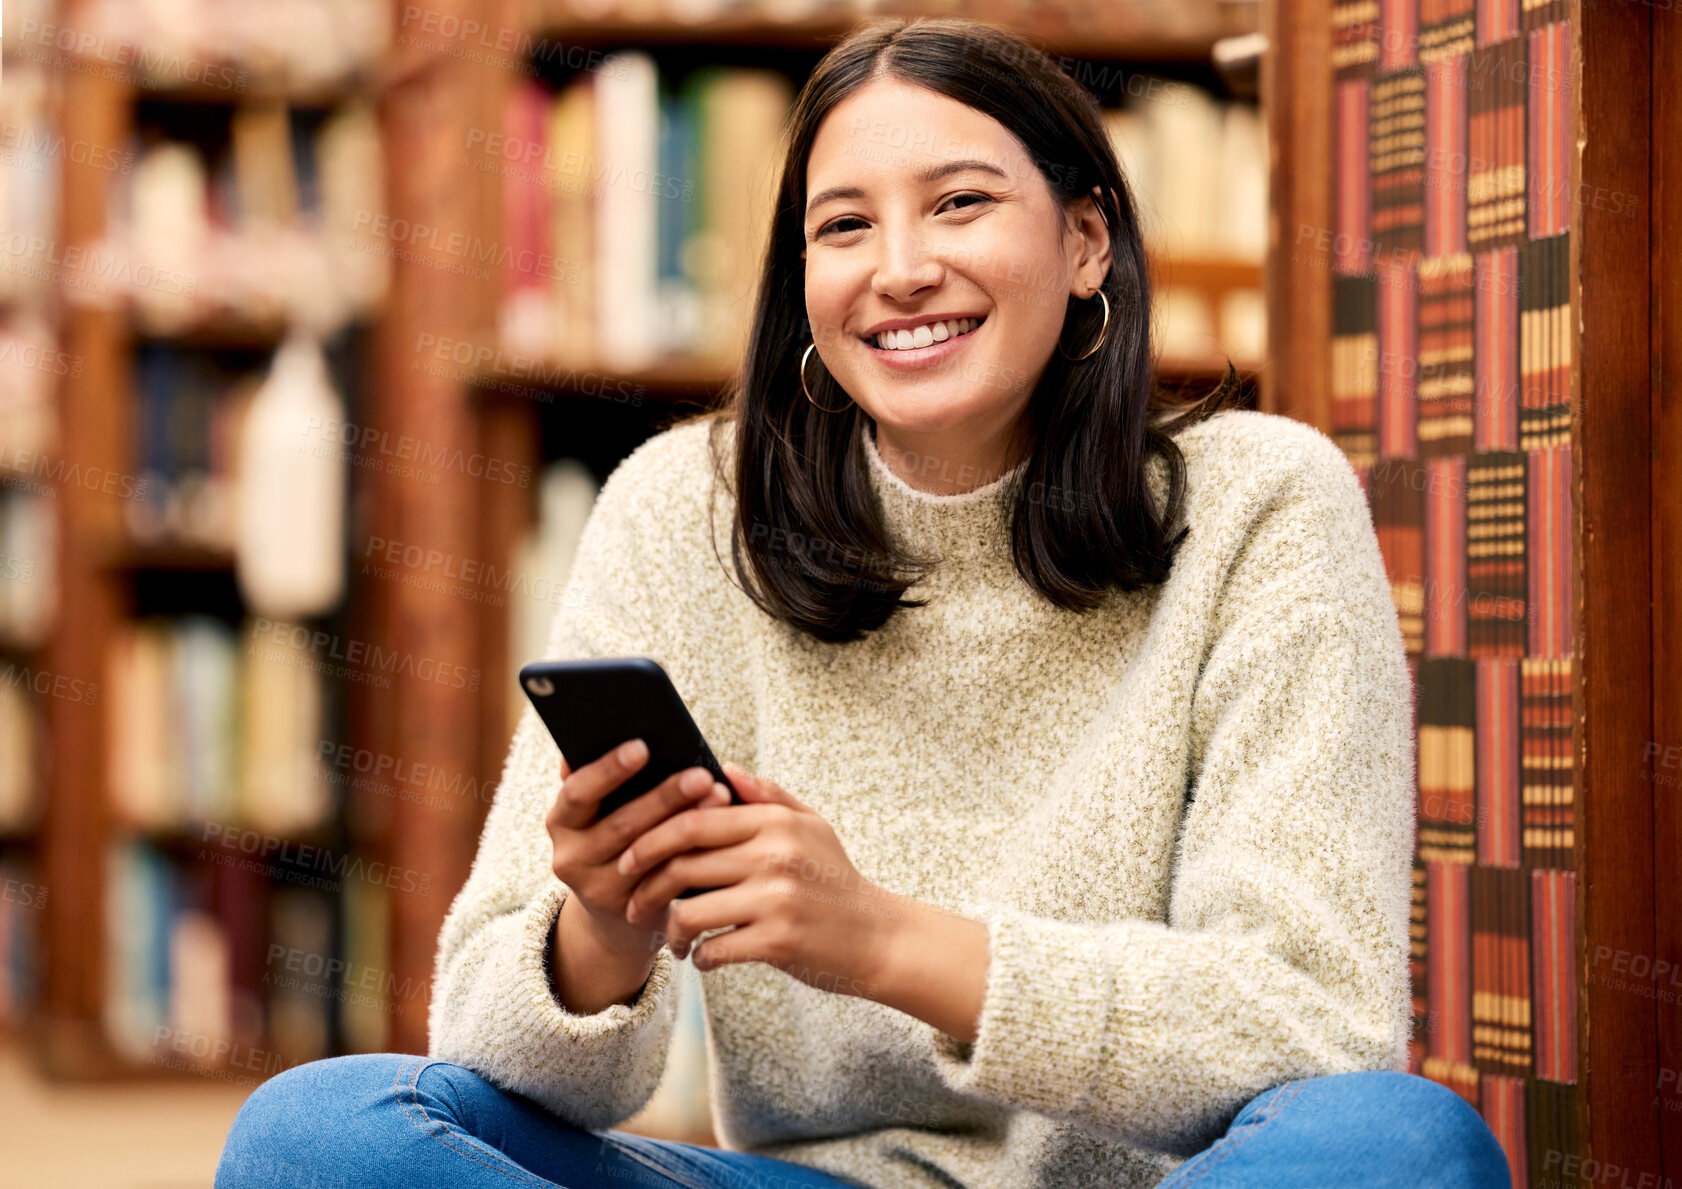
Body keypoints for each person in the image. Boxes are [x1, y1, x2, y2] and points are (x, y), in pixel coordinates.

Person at [216, 15, 1510, 1189]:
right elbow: (507, 1060)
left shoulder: (1259, 501)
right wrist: (602, 929)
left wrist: (883, 941)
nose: (898, 268)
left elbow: (1313, 1020)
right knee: (317, 1135)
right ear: (802, 285)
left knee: (1396, 1142)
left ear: (1083, 240)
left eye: (958, 203)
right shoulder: (686, 506)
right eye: (842, 226)